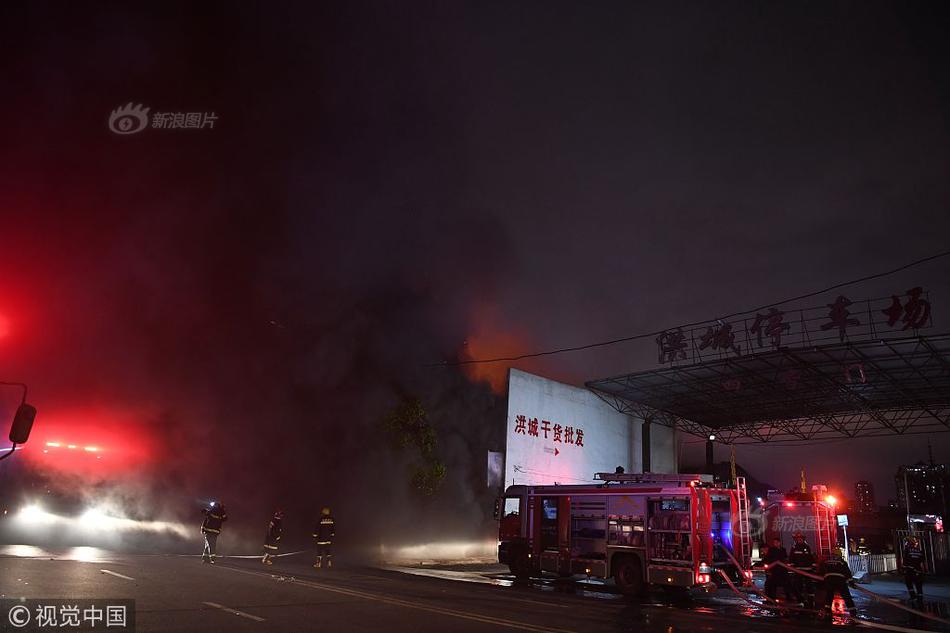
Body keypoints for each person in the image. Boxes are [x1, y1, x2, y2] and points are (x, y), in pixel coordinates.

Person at [818, 547, 857, 620]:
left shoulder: (826, 561)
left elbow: (821, 571)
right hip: (840, 580)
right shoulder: (842, 562)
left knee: (829, 596)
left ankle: (827, 611)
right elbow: (847, 573)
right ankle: (853, 612)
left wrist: (822, 580)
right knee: (846, 596)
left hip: (829, 580)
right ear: (839, 555)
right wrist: (851, 582)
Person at [788, 531, 816, 606]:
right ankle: (801, 601)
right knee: (797, 586)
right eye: (798, 538)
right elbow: (791, 558)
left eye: (800, 538)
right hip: (798, 570)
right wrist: (792, 567)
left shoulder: (807, 547)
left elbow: (811, 557)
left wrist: (813, 566)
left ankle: (811, 602)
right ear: (796, 539)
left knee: (809, 586)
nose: (799, 540)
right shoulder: (794, 548)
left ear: (803, 539)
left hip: (808, 570)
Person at [763, 537, 793, 602]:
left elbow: (785, 558)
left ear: (779, 543)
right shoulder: (772, 550)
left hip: (783, 570)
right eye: (774, 543)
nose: (775, 544)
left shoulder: (783, 550)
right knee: (772, 584)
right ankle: (771, 598)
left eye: (776, 543)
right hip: (775, 570)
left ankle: (788, 597)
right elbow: (767, 558)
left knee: (786, 583)